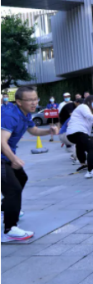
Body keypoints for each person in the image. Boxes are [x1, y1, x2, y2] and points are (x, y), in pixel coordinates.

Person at [1, 87, 59, 240]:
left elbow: (33, 130)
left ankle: (6, 207)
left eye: (36, 99)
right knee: (13, 189)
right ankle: (9, 230)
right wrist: (14, 159)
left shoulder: (25, 114)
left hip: (6, 156)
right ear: (19, 101)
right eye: (30, 100)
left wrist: (49, 131)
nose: (34, 103)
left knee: (21, 179)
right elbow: (1, 141)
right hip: (3, 157)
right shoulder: (10, 115)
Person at [66, 95, 93, 178]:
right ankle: (91, 170)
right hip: (78, 132)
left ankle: (84, 164)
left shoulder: (86, 111)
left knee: (80, 146)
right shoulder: (83, 106)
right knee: (92, 148)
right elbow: (90, 116)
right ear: (89, 101)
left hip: (73, 133)